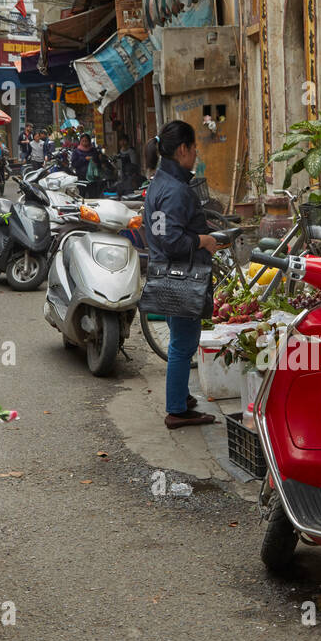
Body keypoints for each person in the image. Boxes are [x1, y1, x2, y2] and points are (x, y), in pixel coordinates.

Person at [143, 120, 222, 430]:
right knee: (183, 344)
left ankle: (181, 396)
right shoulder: (174, 190)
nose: (196, 153)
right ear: (182, 150)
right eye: (193, 148)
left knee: (180, 339)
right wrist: (204, 241)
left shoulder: (162, 182)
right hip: (182, 275)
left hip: (171, 273)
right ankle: (177, 409)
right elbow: (172, 240)